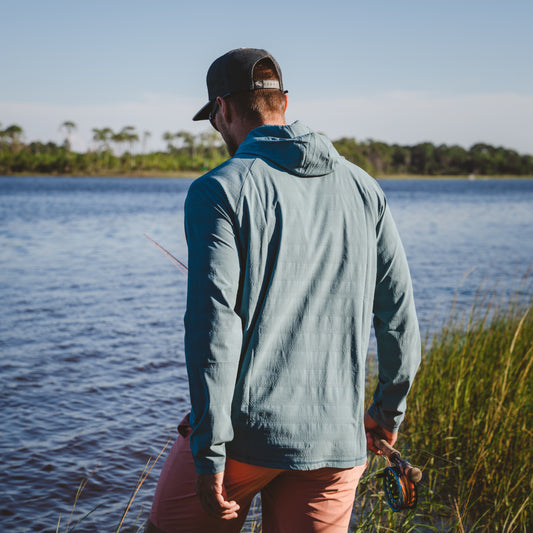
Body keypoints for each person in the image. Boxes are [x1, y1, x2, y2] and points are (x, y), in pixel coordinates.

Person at [145, 48, 421, 533]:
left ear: (223, 110)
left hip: (240, 444)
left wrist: (208, 452)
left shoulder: (219, 190)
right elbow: (398, 319)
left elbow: (214, 329)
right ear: (284, 102)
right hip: (336, 445)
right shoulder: (365, 189)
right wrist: (386, 412)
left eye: (213, 117)